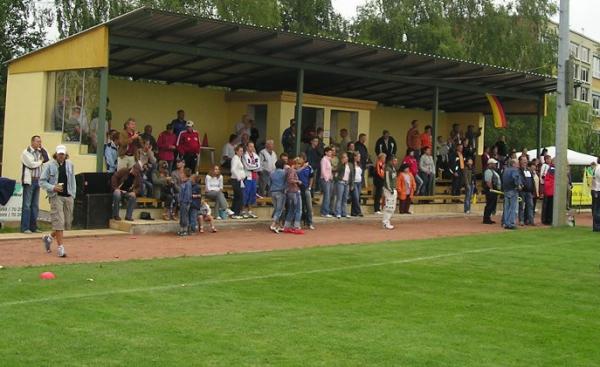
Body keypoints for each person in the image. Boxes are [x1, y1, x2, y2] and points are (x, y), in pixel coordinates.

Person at [40, 145, 75, 258]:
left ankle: (49, 238)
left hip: (68, 196)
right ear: (56, 154)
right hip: (56, 196)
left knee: (66, 223)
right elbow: (42, 181)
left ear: (65, 154)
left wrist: (73, 194)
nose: (61, 156)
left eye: (63, 154)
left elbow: (72, 180)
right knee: (59, 222)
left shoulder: (70, 165)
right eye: (59, 154)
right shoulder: (49, 165)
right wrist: (52, 187)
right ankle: (61, 248)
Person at [21, 135, 49, 234]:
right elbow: (31, 164)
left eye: (40, 142)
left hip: (38, 180)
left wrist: (43, 149)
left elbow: (47, 158)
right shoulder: (26, 152)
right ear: (32, 142)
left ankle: (33, 227)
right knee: (27, 205)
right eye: (37, 141)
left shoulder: (40, 152)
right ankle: (25, 227)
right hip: (29, 181)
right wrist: (41, 161)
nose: (39, 143)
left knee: (35, 205)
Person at [283, 157, 303, 234]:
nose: (299, 166)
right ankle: (296, 227)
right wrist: (298, 181)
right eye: (299, 164)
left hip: (290, 192)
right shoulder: (292, 170)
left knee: (291, 210)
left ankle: (286, 226)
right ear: (295, 164)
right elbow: (290, 180)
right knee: (298, 210)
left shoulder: (288, 170)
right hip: (295, 191)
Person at [501, 159, 522, 230]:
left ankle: (506, 223)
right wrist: (519, 185)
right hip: (513, 190)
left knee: (507, 208)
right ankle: (511, 223)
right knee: (513, 208)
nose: (518, 165)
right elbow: (515, 178)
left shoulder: (505, 170)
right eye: (517, 163)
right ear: (513, 164)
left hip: (506, 190)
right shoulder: (514, 170)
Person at [242, 142, 260, 218]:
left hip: (254, 177)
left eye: (253, 146)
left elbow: (259, 166)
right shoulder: (244, 156)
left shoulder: (256, 156)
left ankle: (250, 210)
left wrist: (253, 167)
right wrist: (254, 167)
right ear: (247, 147)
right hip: (247, 177)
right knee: (246, 193)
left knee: (252, 194)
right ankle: (243, 210)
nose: (251, 148)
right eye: (250, 146)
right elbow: (247, 167)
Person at [297, 153, 315, 229]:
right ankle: (298, 223)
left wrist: (310, 187)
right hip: (298, 189)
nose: (299, 159)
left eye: (301, 158)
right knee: (299, 207)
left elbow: (311, 177)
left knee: (309, 207)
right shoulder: (296, 167)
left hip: (306, 189)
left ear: (304, 159)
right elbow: (295, 173)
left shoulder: (309, 167)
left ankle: (310, 223)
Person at [269, 159, 287, 233]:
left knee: (277, 209)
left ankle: (279, 225)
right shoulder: (284, 172)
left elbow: (269, 183)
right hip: (280, 192)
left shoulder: (272, 173)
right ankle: (273, 224)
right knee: (279, 209)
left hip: (273, 192)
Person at [230, 144, 247, 218]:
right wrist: (239, 177)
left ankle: (233, 211)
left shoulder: (239, 159)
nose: (241, 152)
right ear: (236, 151)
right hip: (236, 180)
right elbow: (233, 169)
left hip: (240, 180)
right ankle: (236, 213)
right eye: (240, 151)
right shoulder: (235, 158)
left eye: (242, 151)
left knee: (237, 196)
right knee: (240, 196)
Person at [482, 158, 501, 224]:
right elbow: (488, 182)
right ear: (490, 164)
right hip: (491, 191)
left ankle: (488, 218)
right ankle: (486, 218)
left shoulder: (493, 171)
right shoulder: (488, 171)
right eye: (494, 164)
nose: (495, 165)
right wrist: (492, 189)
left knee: (492, 204)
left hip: (494, 190)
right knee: (489, 204)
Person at [334, 152, 352, 219]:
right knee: (339, 198)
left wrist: (350, 183)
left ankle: (344, 212)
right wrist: (342, 163)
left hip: (347, 183)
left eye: (346, 157)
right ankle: (338, 213)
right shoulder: (340, 165)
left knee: (345, 199)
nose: (345, 158)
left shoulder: (350, 165)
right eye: (343, 157)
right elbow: (337, 171)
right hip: (340, 182)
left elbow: (351, 174)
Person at [519, 156, 535, 226]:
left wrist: (533, 189)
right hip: (522, 191)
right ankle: (521, 220)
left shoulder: (528, 171)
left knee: (530, 206)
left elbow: (532, 180)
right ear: (520, 161)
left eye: (526, 160)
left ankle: (530, 220)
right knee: (521, 206)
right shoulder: (518, 170)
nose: (525, 161)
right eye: (524, 160)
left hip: (529, 191)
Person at [382, 156, 398, 230]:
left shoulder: (393, 169)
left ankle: (387, 221)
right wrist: (390, 189)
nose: (396, 162)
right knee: (389, 207)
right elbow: (387, 181)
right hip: (389, 190)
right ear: (390, 161)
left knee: (392, 207)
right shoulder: (388, 169)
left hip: (393, 189)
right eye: (394, 161)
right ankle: (385, 222)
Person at [177, 168, 193, 236]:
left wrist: (184, 202)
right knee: (181, 216)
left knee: (184, 216)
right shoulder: (183, 182)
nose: (180, 174)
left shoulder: (188, 183)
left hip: (185, 202)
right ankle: (182, 229)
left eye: (182, 173)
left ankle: (185, 230)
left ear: (185, 174)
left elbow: (187, 194)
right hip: (182, 201)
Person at [319, 147, 334, 217]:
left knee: (329, 196)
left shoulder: (329, 160)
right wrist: (326, 178)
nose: (331, 153)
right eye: (330, 152)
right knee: (327, 196)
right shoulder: (324, 160)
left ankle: (324, 210)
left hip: (329, 179)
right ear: (326, 152)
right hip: (325, 180)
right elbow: (323, 170)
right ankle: (325, 212)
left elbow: (329, 170)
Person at [542, 160, 555, 225]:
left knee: (547, 206)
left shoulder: (550, 168)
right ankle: (549, 219)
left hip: (549, 189)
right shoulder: (553, 169)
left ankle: (546, 219)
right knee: (550, 206)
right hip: (551, 189)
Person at [350, 152, 363, 217]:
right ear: (354, 157)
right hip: (354, 182)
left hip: (359, 182)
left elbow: (361, 174)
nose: (359, 158)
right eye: (358, 156)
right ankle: (359, 211)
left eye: (359, 157)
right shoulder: (351, 164)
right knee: (356, 197)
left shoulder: (359, 164)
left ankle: (353, 212)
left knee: (355, 198)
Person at [591, 157, 600, 232]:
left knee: (596, 208)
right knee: (597, 209)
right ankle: (597, 226)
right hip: (598, 189)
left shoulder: (596, 168)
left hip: (596, 189)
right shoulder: (598, 168)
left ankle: (596, 226)